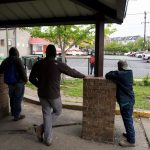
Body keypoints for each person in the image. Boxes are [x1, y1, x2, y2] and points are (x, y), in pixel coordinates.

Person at [29, 44, 85, 146]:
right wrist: (84, 76)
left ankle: (46, 135)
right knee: (57, 111)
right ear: (55, 53)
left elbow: (31, 78)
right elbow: (71, 72)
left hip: (42, 94)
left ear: (46, 53)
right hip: (53, 95)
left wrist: (40, 85)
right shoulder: (57, 64)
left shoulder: (38, 63)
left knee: (46, 114)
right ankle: (44, 133)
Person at [105, 60, 135, 147]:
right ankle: (130, 134)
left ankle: (131, 141)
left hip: (126, 102)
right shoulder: (129, 72)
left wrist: (117, 71)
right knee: (128, 118)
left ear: (119, 67)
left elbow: (108, 75)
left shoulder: (120, 74)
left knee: (127, 120)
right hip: (130, 100)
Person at [0, 47, 27, 121]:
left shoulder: (5, 60)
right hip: (18, 83)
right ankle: (17, 116)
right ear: (16, 52)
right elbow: (22, 71)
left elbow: (0, 70)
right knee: (18, 98)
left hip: (9, 83)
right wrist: (25, 80)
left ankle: (13, 112)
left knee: (12, 98)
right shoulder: (17, 60)